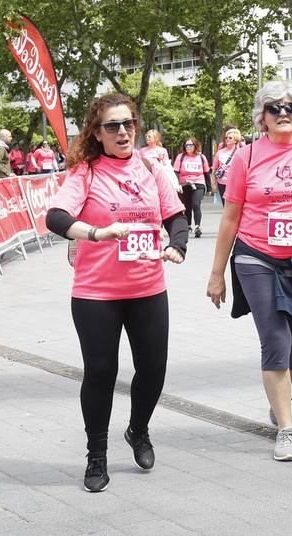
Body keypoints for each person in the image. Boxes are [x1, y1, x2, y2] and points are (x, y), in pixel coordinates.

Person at [46, 94, 187, 493]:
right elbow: (56, 217)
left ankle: (138, 430)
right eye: (112, 126)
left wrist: (178, 244)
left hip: (147, 288)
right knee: (102, 373)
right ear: (97, 132)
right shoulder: (85, 172)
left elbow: (176, 215)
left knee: (153, 370)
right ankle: (97, 456)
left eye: (129, 123)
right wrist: (95, 233)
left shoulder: (150, 167)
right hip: (96, 294)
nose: (123, 131)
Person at [207, 82, 292, 462]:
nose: (283, 113)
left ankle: (278, 394)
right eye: (274, 108)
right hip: (256, 257)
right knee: (276, 342)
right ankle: (286, 429)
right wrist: (217, 273)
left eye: (290, 107)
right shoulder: (246, 157)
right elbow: (230, 217)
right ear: (262, 117)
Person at [174, 137, 209, 238]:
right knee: (187, 206)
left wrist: (209, 187)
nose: (188, 147)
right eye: (187, 145)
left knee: (196, 204)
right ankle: (188, 225)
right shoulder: (180, 157)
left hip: (198, 183)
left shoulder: (201, 157)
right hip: (185, 184)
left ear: (195, 146)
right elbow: (176, 172)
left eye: (191, 145)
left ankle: (197, 226)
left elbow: (206, 173)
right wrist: (177, 184)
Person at [212, 126, 242, 205]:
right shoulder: (220, 152)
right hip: (222, 183)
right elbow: (214, 169)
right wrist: (213, 184)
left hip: (235, 183)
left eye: (230, 138)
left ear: (235, 140)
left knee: (234, 205)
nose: (227, 139)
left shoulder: (240, 152)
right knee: (225, 205)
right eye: (226, 138)